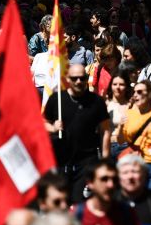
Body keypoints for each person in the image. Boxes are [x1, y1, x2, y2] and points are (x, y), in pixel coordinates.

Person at [43, 63, 112, 202]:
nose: (78, 82)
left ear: (87, 79)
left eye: (82, 78)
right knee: (61, 201)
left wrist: (105, 159)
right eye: (74, 78)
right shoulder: (56, 99)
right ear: (67, 79)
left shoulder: (97, 101)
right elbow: (43, 124)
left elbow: (105, 130)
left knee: (80, 201)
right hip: (61, 161)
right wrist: (53, 128)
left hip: (87, 161)